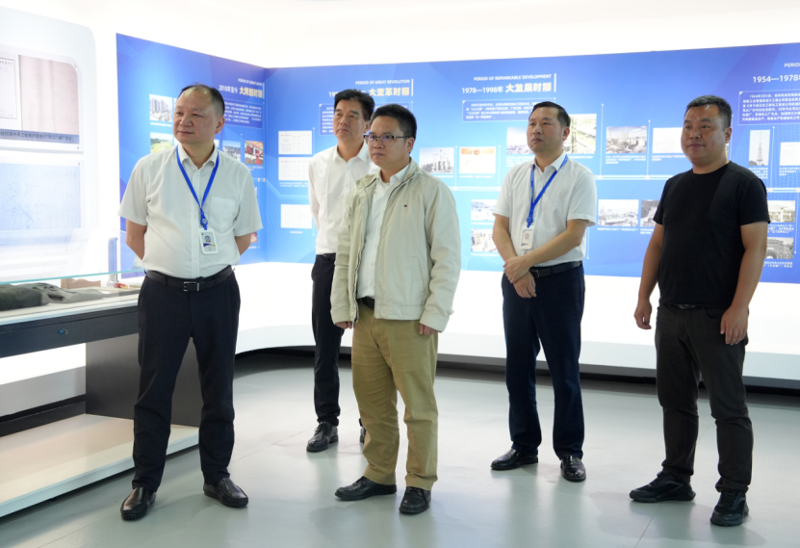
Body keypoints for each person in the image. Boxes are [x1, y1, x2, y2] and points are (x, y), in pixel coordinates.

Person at [118, 84, 262, 520]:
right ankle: (145, 483)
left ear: (219, 123)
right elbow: (134, 233)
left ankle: (217, 475)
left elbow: (244, 236)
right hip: (163, 295)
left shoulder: (237, 174)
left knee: (218, 388)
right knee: (153, 390)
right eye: (179, 112)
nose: (183, 121)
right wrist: (168, 266)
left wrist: (209, 267)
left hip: (218, 293)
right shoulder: (150, 168)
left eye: (196, 114)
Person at [631, 95, 768, 527]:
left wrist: (740, 307)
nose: (694, 133)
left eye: (706, 126)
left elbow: (755, 248)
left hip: (717, 316)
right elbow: (657, 244)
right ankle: (676, 476)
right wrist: (644, 296)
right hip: (671, 312)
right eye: (689, 125)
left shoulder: (744, 184)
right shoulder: (675, 185)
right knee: (675, 401)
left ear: (727, 134)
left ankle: (734, 492)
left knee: (728, 407)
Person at [330, 104, 460, 515]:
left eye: (387, 136)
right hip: (366, 316)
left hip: (410, 319)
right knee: (372, 405)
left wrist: (435, 313)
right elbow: (346, 252)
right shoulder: (363, 190)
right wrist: (342, 304)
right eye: (373, 136)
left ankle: (419, 481)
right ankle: (379, 473)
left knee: (418, 408)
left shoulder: (431, 191)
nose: (377, 144)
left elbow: (447, 259)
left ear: (409, 143)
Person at [490, 101, 597, 482]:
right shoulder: (516, 175)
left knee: (564, 369)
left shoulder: (579, 176)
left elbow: (573, 235)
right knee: (517, 368)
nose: (536, 129)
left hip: (560, 281)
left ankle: (570, 451)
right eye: (531, 123)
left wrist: (525, 263)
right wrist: (516, 268)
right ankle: (523, 445)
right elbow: (499, 229)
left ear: (565, 132)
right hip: (516, 280)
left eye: (546, 123)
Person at [307, 89, 376, 452]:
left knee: (370, 350)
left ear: (367, 123)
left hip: (369, 263)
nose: (343, 121)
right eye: (338, 114)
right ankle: (326, 422)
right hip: (329, 261)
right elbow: (318, 213)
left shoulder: (378, 164)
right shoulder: (318, 163)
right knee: (325, 349)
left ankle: (370, 421)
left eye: (352, 115)